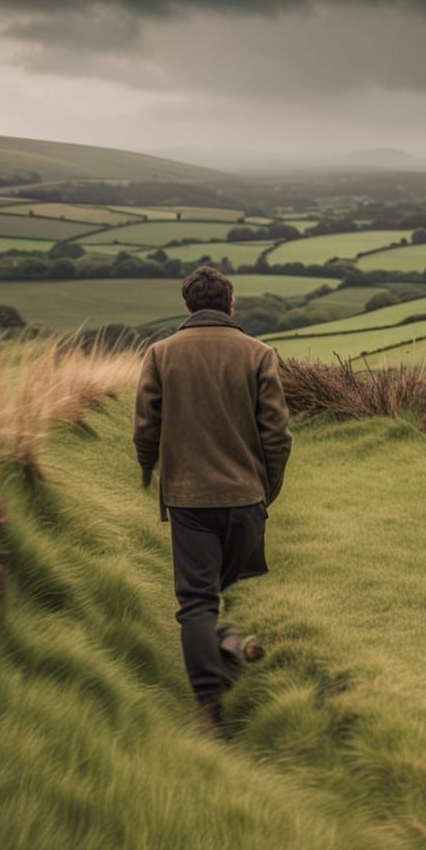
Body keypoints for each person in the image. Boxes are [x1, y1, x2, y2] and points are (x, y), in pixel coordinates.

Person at [133, 266, 293, 733]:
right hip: (246, 498)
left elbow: (146, 427)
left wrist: (148, 469)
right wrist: (267, 490)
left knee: (198, 602)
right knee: (225, 588)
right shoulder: (260, 354)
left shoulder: (160, 354)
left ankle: (208, 707)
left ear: (187, 306)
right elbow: (277, 436)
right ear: (231, 304)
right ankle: (227, 644)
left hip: (189, 501)